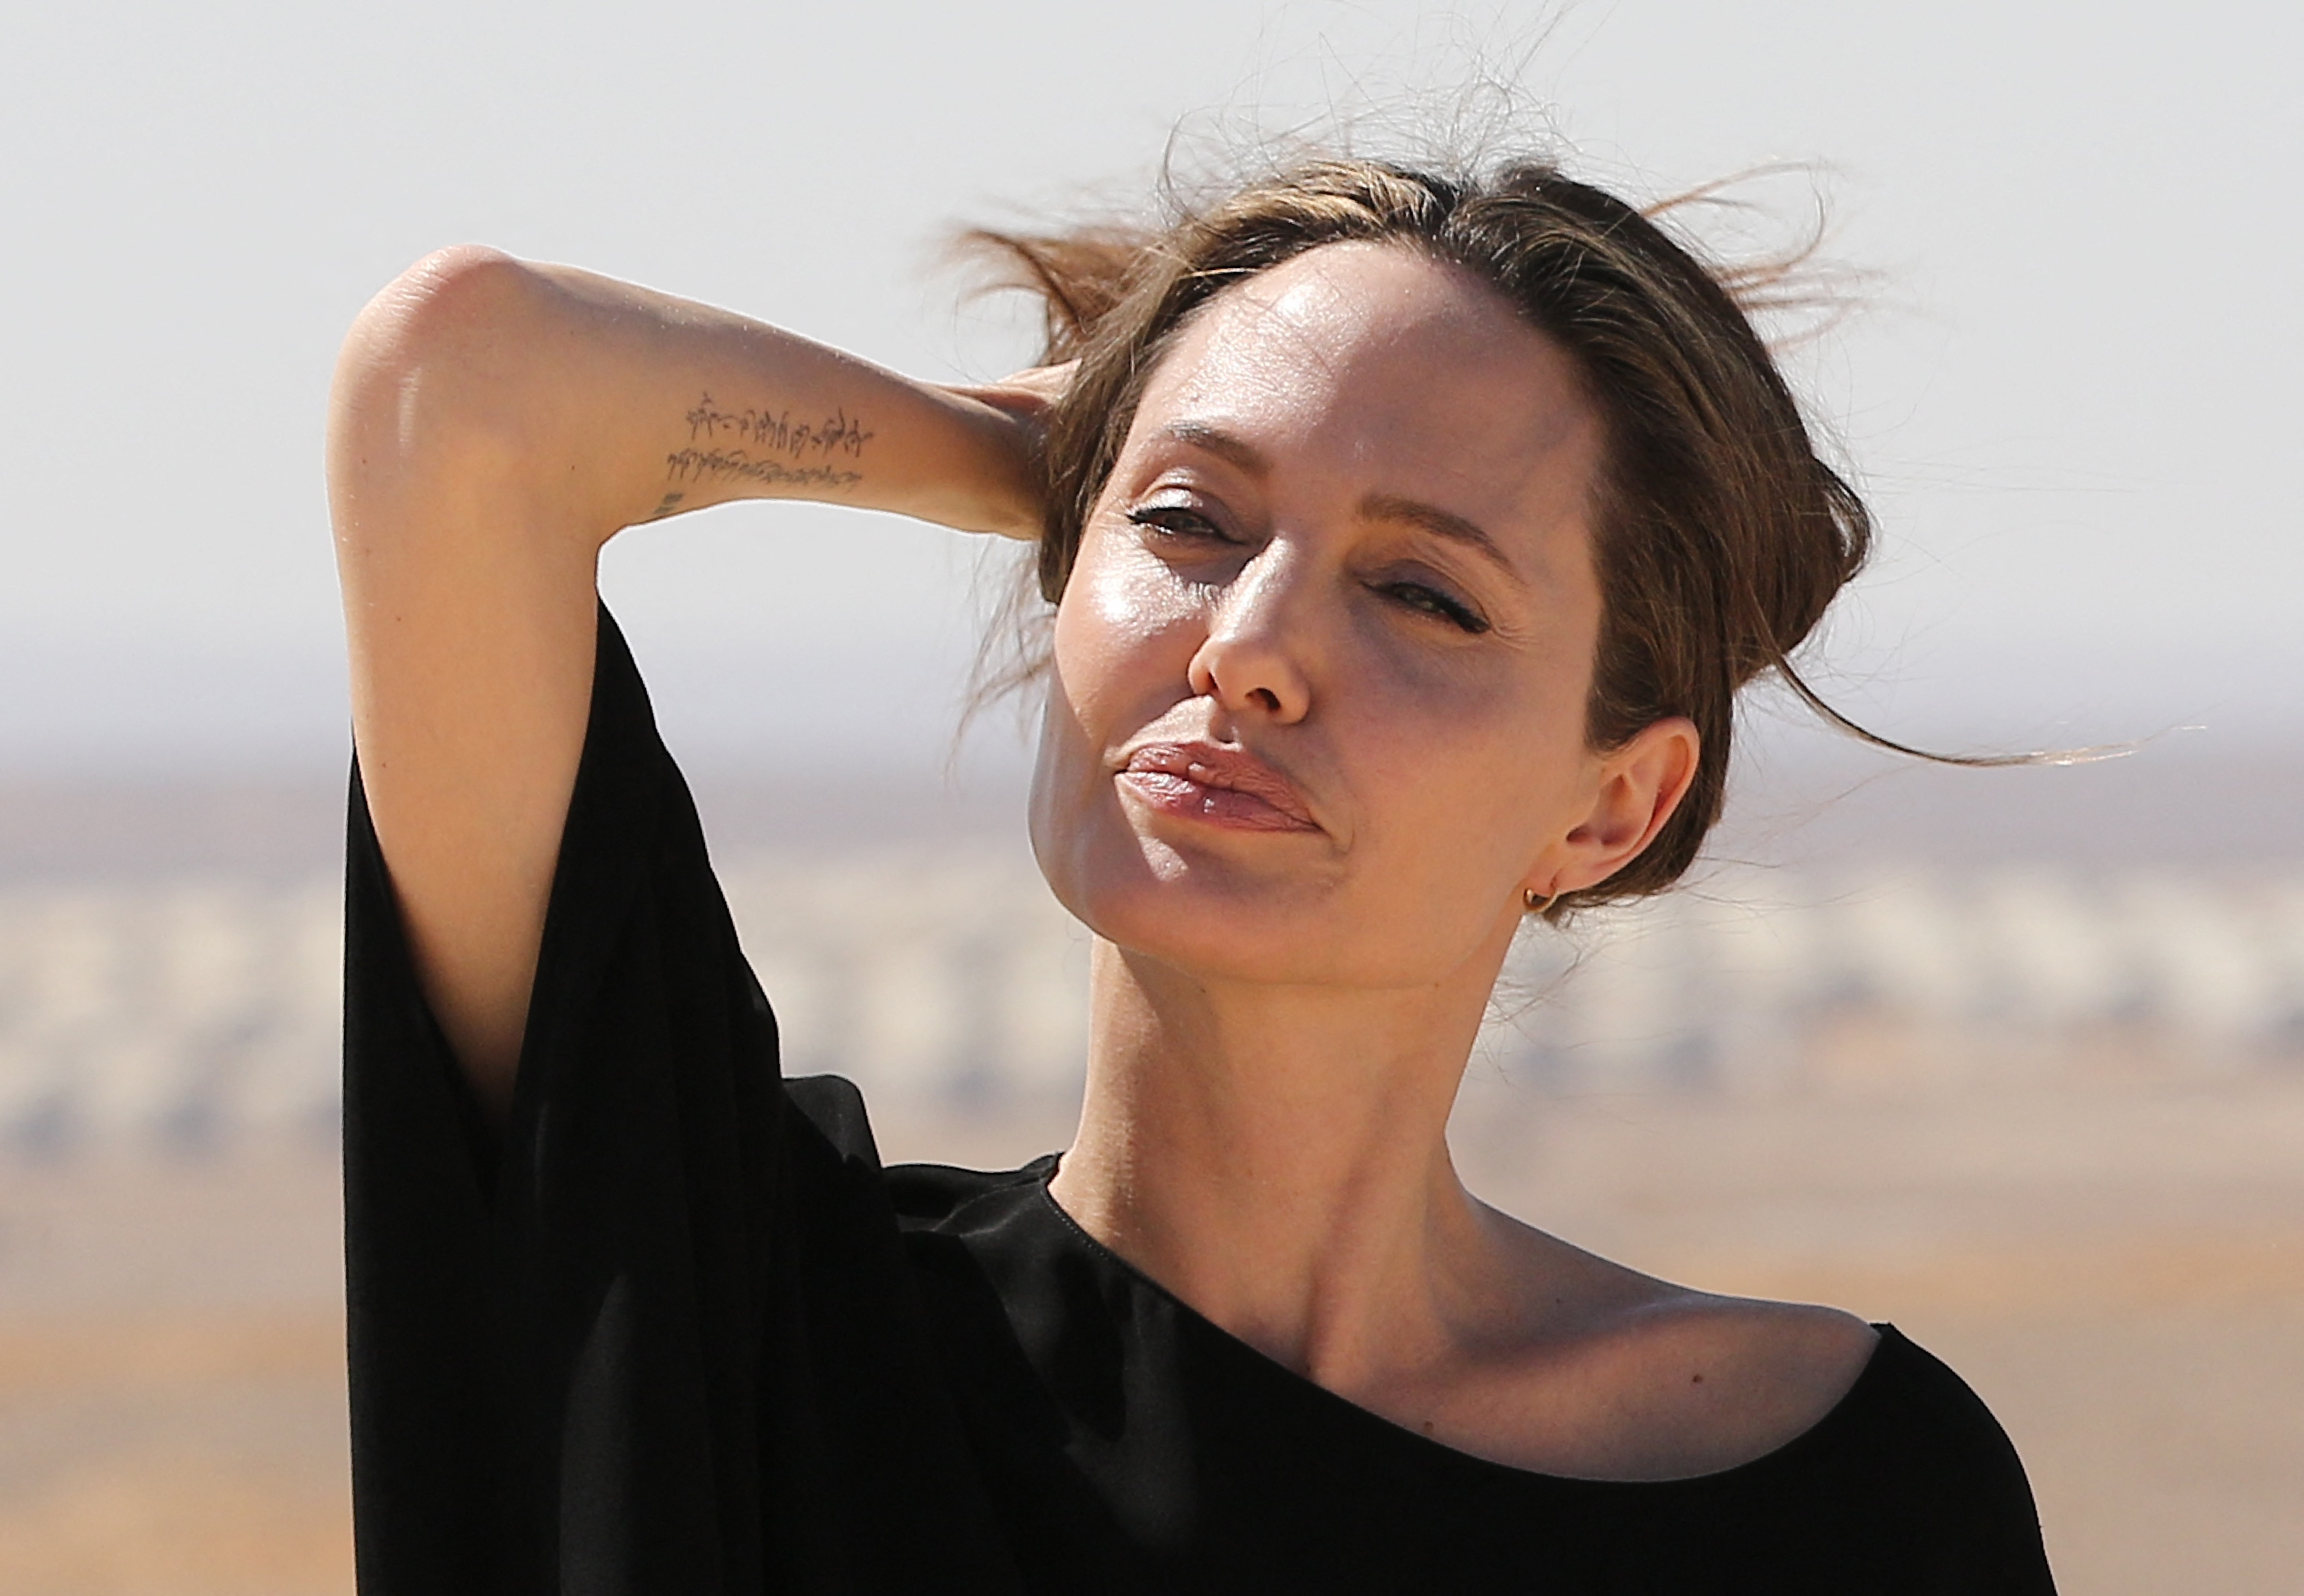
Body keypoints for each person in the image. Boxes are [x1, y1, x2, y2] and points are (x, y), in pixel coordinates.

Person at [327, 154, 2057, 1592]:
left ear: (1612, 809)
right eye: (1187, 531)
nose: (1247, 646)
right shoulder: (738, 1327)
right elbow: (469, 385)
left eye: (1423, 594)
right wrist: (1031, 453)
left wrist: (1162, 481)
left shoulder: (1843, 1501)